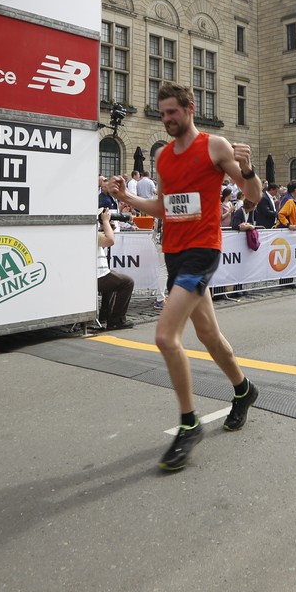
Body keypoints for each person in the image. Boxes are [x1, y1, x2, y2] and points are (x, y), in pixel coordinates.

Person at [104, 82, 262, 471]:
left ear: (190, 108)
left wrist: (248, 170)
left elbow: (253, 195)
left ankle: (189, 424)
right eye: (162, 113)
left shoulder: (214, 146)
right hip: (174, 253)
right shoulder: (164, 157)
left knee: (164, 336)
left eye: (172, 112)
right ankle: (243, 390)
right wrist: (126, 199)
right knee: (209, 335)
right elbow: (163, 207)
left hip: (202, 251)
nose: (166, 119)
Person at [93, 204, 135, 331]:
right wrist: (106, 222)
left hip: (98, 274)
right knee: (128, 282)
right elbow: (110, 241)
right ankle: (116, 320)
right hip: (97, 276)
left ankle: (105, 316)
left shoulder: (90, 232)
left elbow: (104, 242)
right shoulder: (91, 233)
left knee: (113, 279)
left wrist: (106, 227)